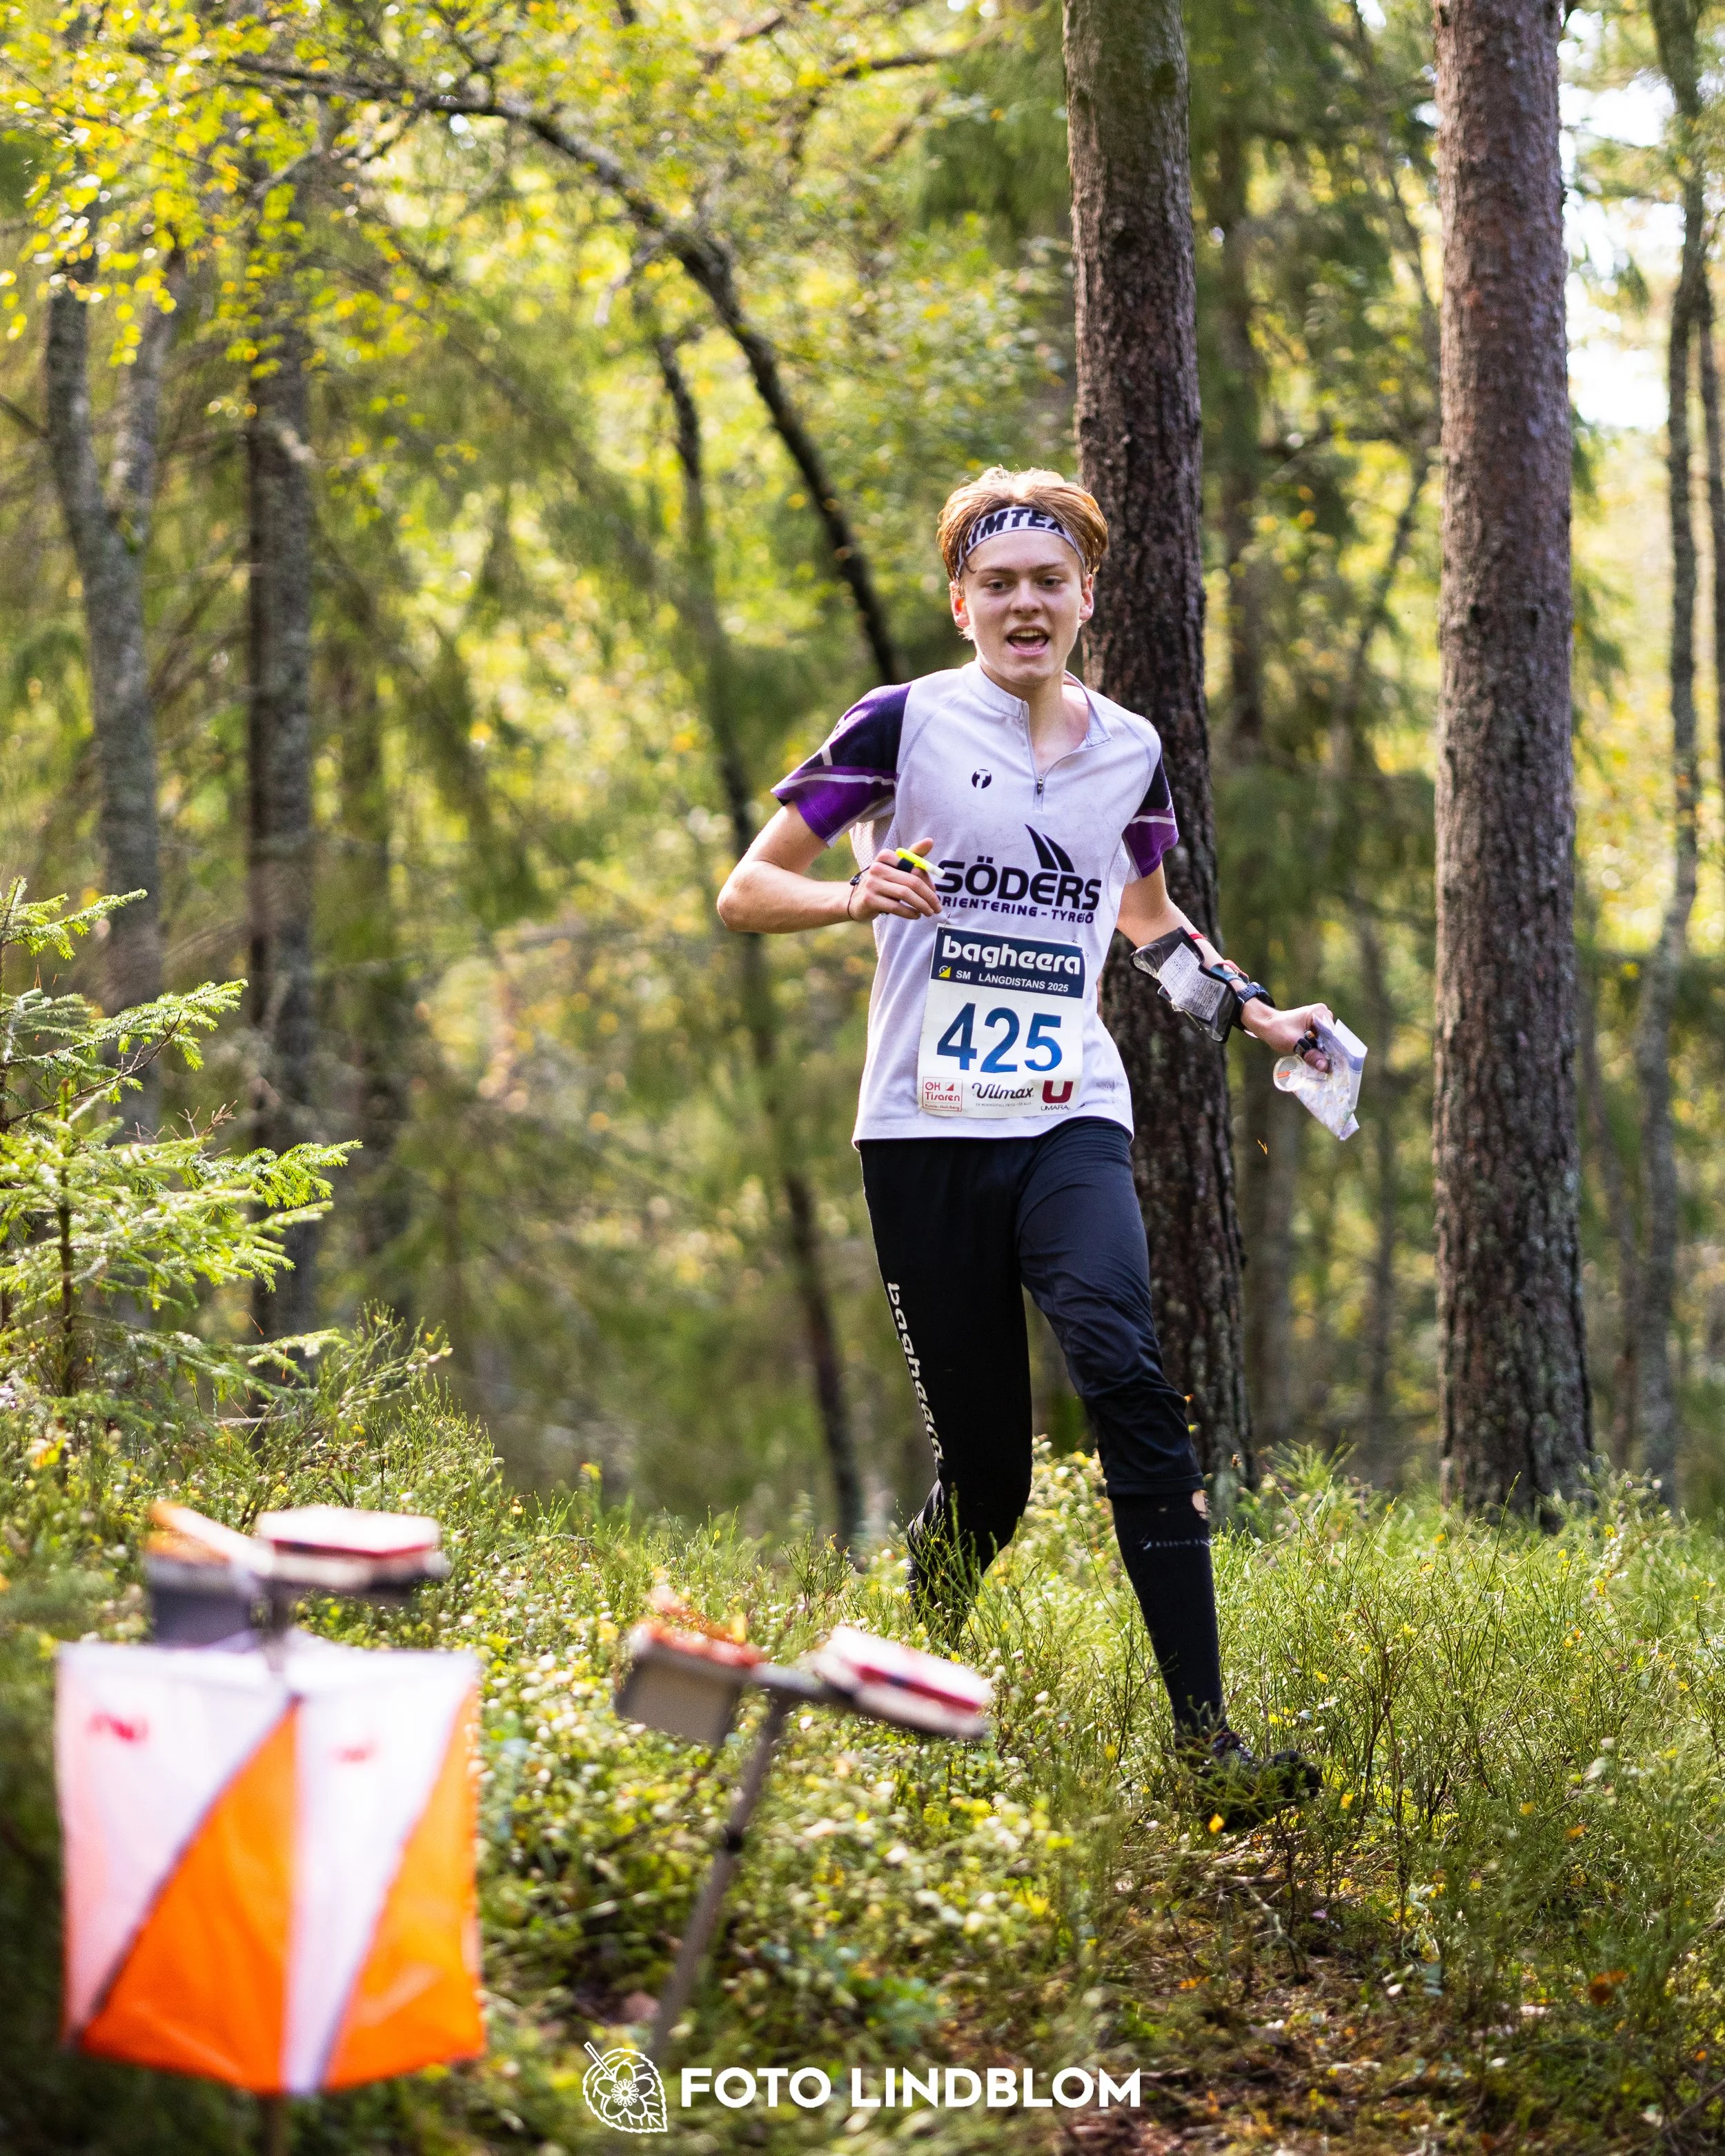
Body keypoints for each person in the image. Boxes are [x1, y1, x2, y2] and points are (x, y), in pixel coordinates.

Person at [717, 466, 1329, 1819]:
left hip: (1067, 1112)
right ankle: (902, 1694)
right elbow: (743, 888)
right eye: (996, 583)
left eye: (1047, 579)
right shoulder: (901, 723)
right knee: (985, 1474)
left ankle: (1201, 1744)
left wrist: (1254, 1015)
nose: (1022, 602)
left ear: (1085, 598)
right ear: (959, 601)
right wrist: (845, 894)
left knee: (1124, 1370)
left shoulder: (1128, 747)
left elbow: (1149, 925)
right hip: (921, 1129)